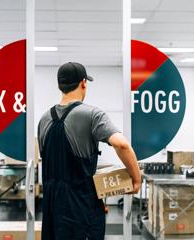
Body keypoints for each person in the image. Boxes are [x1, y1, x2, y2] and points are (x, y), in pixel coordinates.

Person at [38, 62, 141, 240]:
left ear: (60, 86)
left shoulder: (44, 119)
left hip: (51, 209)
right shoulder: (92, 114)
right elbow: (121, 144)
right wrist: (136, 179)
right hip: (81, 209)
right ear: (83, 83)